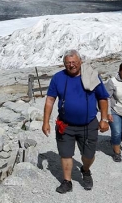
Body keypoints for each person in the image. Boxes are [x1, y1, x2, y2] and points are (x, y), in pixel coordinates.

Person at [43, 50, 110, 194]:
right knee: (65, 154)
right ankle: (67, 181)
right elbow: (50, 100)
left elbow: (103, 98)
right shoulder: (58, 78)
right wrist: (45, 122)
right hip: (65, 125)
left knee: (89, 155)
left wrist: (104, 119)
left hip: (89, 124)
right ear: (64, 64)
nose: (71, 65)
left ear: (80, 62)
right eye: (68, 63)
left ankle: (85, 170)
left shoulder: (91, 76)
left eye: (74, 62)